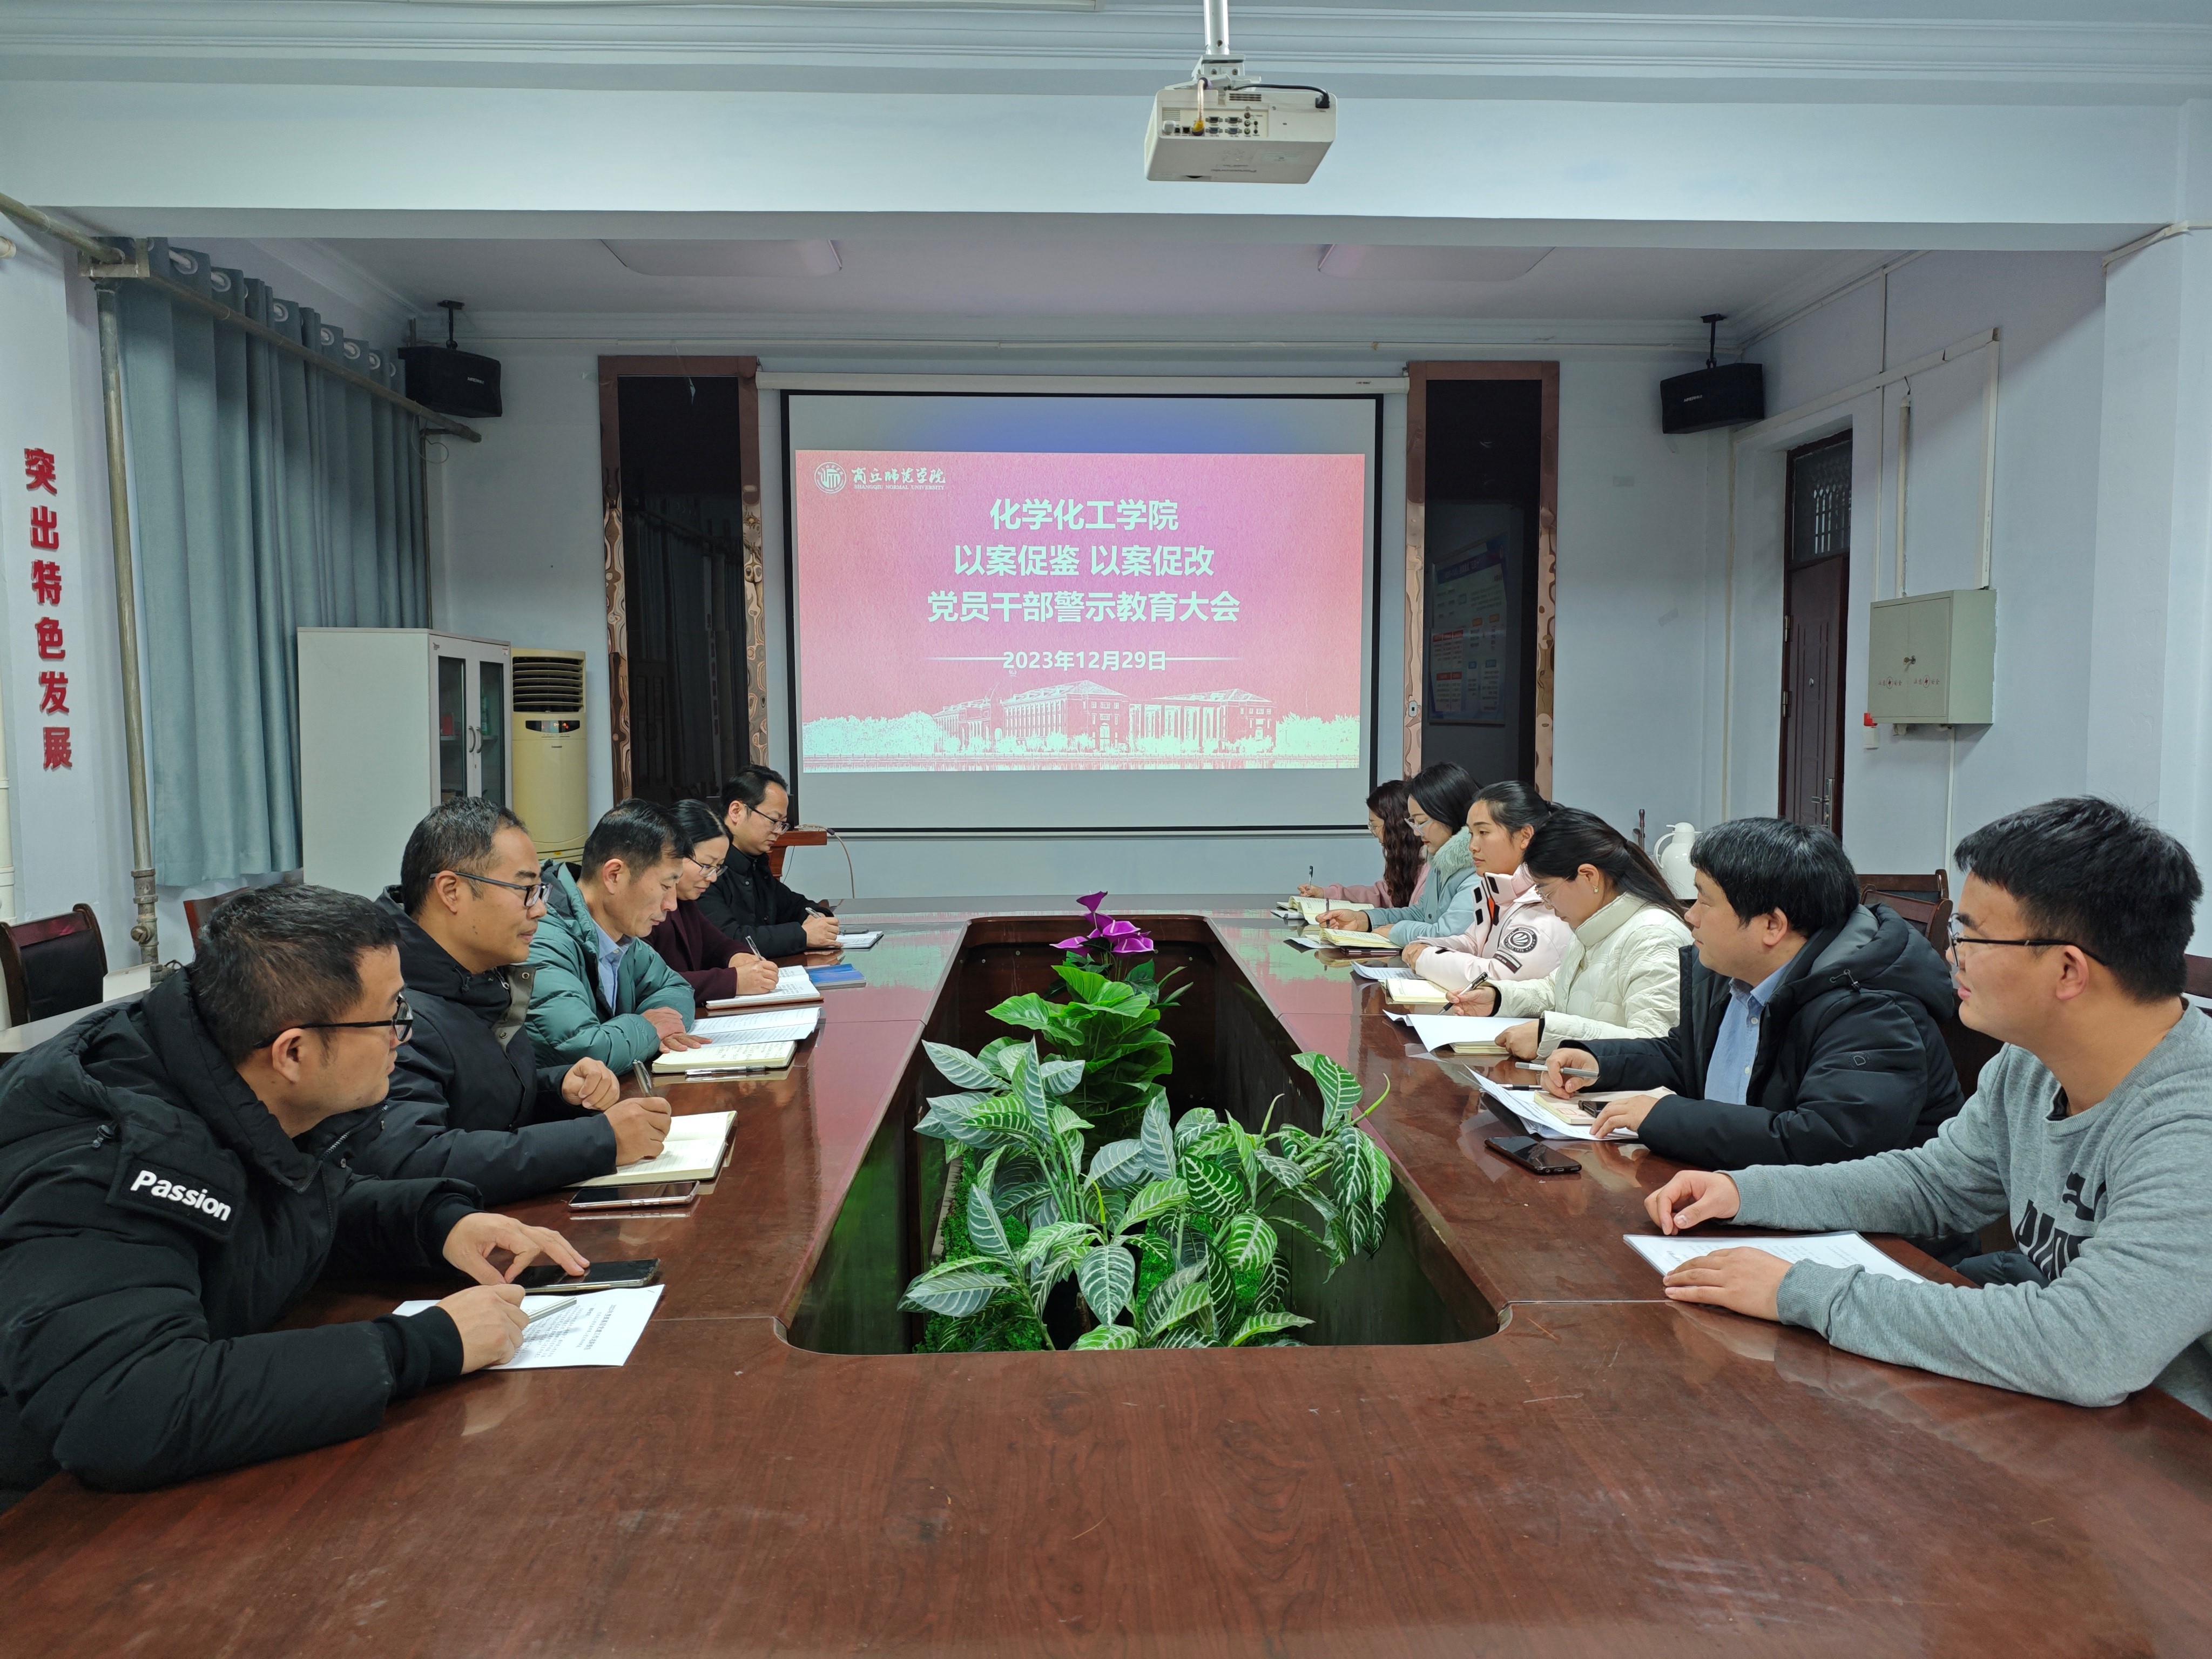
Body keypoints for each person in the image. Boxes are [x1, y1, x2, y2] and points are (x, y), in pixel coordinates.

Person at [0, 884, 590, 1508]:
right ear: (294, 1051)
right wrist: (423, 1345)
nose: (403, 1036)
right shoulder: (105, 1166)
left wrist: (434, 1224)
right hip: (43, 1517)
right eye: (390, 1016)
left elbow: (281, 1207)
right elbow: (126, 1407)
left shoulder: (224, 1069)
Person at [1645, 797, 2212, 1416]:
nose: (1950, 953)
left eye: (1971, 936)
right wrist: (1744, 1192)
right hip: (2075, 1407)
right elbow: (1934, 1183)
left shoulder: (2190, 1126)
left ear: (2068, 971)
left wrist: (1798, 1291)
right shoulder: (2032, 1063)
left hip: (2170, 1443)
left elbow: (2087, 1347)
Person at [1545, 816, 1964, 1164]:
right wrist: (1600, 1062)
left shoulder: (1869, 1009)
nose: (1690, 917)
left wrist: (1666, 1117)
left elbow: (1825, 1141)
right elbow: (1688, 1057)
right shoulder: (1729, 969)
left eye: (1705, 902)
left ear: (1772, 926)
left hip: (1859, 1231)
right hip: (1741, 1194)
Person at [363, 797, 672, 1205]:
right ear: (452, 892)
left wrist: (559, 1088)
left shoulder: (486, 976)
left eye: (540, 891)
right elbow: (414, 1158)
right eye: (526, 891)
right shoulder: (387, 1003)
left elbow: (482, 1103)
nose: (540, 909)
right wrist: (598, 1140)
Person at [1452, 805, 1692, 1061]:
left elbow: (1654, 1044)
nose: (1546, 904)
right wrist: (1498, 998)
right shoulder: (1593, 923)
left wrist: (1548, 1036)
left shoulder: (1654, 937)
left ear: (1589, 876)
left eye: (1546, 891)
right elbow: (1557, 989)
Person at [527, 798, 705, 1073]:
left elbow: (675, 987)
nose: (671, 905)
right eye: (665, 885)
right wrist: (648, 1029)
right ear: (613, 876)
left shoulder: (621, 935)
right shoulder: (543, 939)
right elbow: (584, 1051)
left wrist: (663, 1025)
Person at [1403, 780, 1573, 993]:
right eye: (1471, 834)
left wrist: (1425, 958)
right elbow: (1473, 941)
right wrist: (1428, 945)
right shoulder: (1498, 889)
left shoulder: (1545, 903)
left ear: (1525, 836)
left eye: (1483, 832)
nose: (1472, 846)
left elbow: (1498, 978)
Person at [1316, 762, 1482, 948]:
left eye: (1421, 822)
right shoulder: (1440, 860)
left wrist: (1396, 931)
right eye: (1413, 823)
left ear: (1449, 813)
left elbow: (1449, 935)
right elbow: (1420, 914)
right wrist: (1364, 919)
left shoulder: (1478, 870)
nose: (1417, 833)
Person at [648, 799, 781, 1003]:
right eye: (706, 865)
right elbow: (651, 984)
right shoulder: (644, 906)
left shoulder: (685, 901)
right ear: (672, 855)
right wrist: (734, 981)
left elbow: (718, 945)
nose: (712, 878)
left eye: (718, 867)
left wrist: (739, 957)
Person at [698, 767, 840, 957]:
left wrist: (818, 916)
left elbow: (795, 905)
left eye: (783, 824)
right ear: (736, 811)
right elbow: (729, 940)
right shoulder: (706, 871)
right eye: (773, 821)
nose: (778, 831)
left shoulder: (755, 863)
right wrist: (803, 935)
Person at [1297, 778, 1427, 911]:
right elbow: (1382, 895)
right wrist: (1326, 893)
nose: (1374, 833)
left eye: (1375, 826)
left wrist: (1368, 919)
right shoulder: (1404, 858)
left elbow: (1413, 916)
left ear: (1395, 825)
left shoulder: (1429, 867)